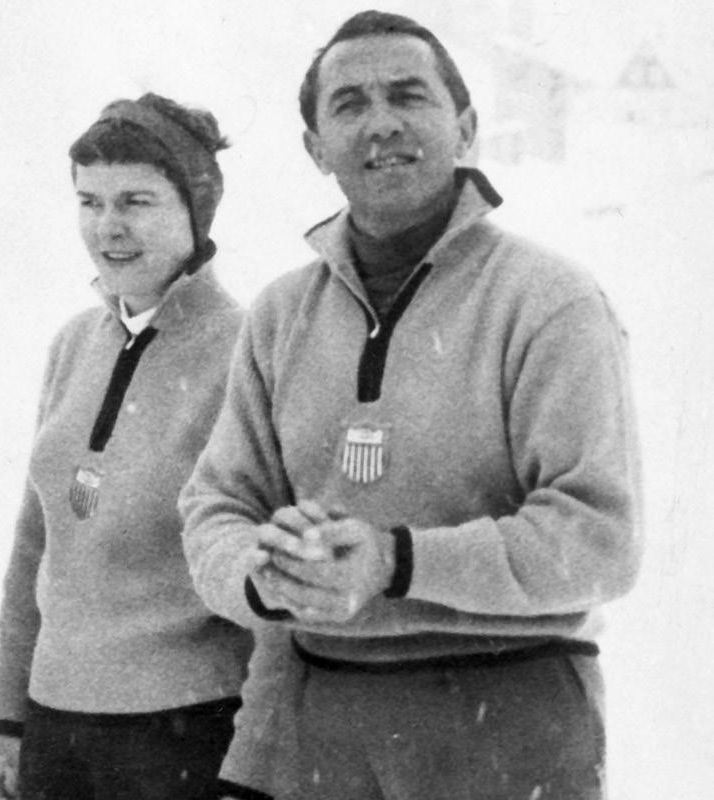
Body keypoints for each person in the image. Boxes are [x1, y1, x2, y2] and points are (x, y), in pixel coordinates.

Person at [181, 10, 642, 800]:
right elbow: (216, 505)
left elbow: (597, 538)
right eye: (349, 104)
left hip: (508, 713)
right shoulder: (281, 314)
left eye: (407, 95)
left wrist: (394, 562)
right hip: (319, 720)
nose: (381, 123)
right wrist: (266, 574)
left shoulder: (549, 300)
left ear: (465, 128)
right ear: (315, 147)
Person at [0, 93, 251, 800]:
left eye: (136, 201)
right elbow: (35, 543)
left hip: (186, 732)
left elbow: (266, 574)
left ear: (195, 209)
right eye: (90, 202)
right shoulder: (74, 344)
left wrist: (257, 758)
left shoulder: (248, 351)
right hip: (54, 726)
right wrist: (8, 720)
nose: (109, 226)